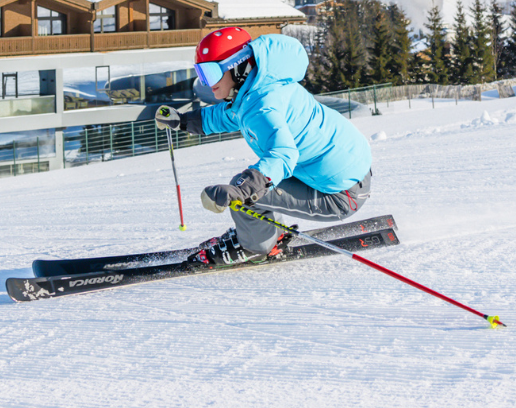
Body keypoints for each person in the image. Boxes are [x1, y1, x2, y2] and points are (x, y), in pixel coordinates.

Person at [153, 27, 373, 265]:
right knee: (253, 185)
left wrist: (243, 190)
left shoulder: (263, 105)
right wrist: (183, 121)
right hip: (347, 172)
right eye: (202, 74)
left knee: (246, 193)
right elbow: (227, 116)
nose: (208, 83)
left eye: (211, 72)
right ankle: (261, 233)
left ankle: (256, 247)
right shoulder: (260, 89)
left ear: (238, 67)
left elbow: (283, 155)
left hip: (340, 194)